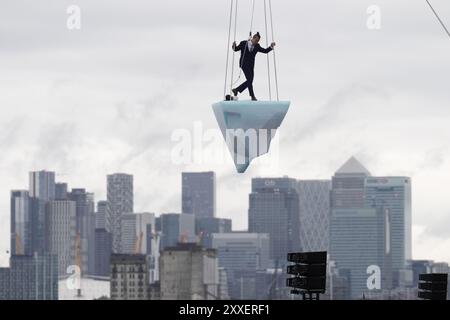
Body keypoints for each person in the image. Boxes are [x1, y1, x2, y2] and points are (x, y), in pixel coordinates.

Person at [232, 32, 276, 101]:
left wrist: (271, 47)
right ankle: (252, 96)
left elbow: (265, 51)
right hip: (243, 63)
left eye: (258, 41)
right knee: (249, 79)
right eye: (256, 40)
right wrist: (234, 45)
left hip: (251, 65)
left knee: (250, 80)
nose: (257, 42)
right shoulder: (243, 43)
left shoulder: (257, 46)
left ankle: (236, 89)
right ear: (253, 38)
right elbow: (236, 49)